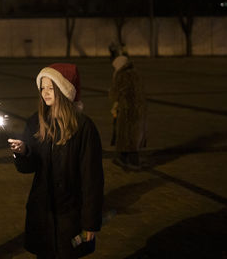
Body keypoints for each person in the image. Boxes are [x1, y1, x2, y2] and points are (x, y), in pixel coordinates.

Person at [8, 63, 104, 258]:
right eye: (43, 87)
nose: (45, 92)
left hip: (70, 214)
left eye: (51, 88)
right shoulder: (36, 121)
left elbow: (92, 179)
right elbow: (28, 167)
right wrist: (24, 152)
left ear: (63, 90)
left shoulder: (83, 127)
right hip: (42, 213)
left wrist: (90, 222)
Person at [109, 54, 147, 170]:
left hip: (126, 109)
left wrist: (112, 96)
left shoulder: (121, 75)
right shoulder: (135, 73)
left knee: (125, 134)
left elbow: (115, 93)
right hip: (139, 108)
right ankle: (124, 158)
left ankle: (128, 161)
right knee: (132, 135)